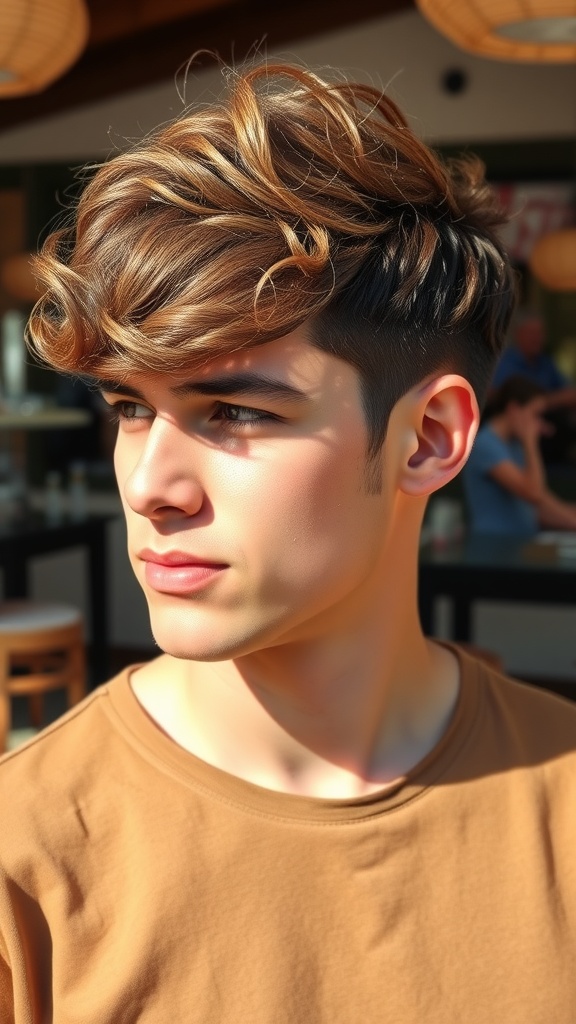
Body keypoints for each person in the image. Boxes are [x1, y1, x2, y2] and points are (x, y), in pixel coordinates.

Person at [1, 59, 575, 1023]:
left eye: (232, 412)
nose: (149, 486)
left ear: (428, 439)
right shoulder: (28, 855)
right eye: (130, 410)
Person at [462, 374, 576, 535]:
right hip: (493, 550)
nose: (537, 423)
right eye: (535, 414)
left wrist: (571, 516)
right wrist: (530, 442)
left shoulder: (514, 444)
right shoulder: (485, 445)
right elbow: (533, 493)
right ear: (514, 410)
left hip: (519, 548)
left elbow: (541, 502)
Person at [491, 309, 576, 463]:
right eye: (531, 333)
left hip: (550, 433)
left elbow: (570, 394)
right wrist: (546, 401)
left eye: (540, 333)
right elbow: (497, 398)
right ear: (518, 335)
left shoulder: (546, 363)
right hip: (516, 437)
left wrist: (546, 402)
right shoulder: (505, 363)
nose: (537, 338)